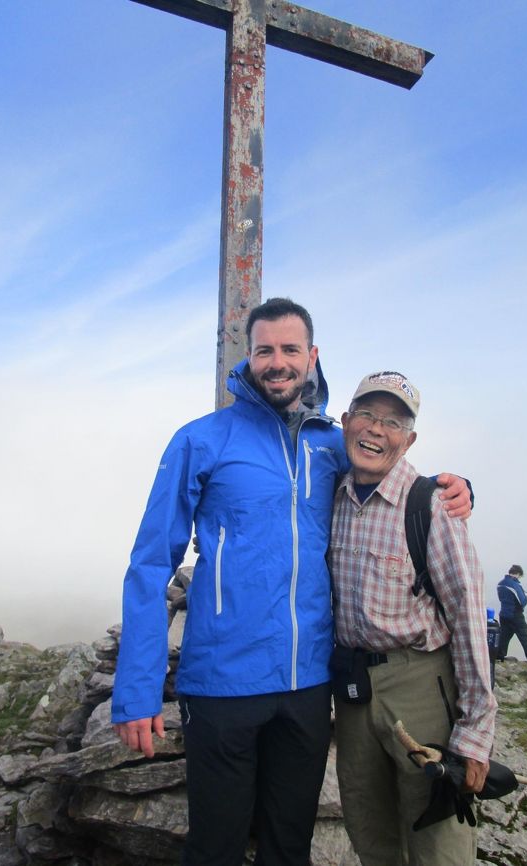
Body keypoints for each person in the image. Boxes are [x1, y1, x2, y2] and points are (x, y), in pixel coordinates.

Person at [111, 298, 472, 866]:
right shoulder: (201, 441)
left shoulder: (331, 443)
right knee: (216, 848)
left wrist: (457, 486)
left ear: (312, 356)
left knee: (289, 847)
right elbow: (152, 564)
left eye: (289, 349)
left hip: (307, 688)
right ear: (248, 357)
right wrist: (136, 689)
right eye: (264, 350)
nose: (277, 362)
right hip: (222, 684)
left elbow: (391, 476)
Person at [330, 370, 497, 866]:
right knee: (370, 834)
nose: (376, 430)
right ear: (345, 422)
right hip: (355, 692)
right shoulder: (333, 497)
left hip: (421, 686)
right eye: (366, 414)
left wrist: (475, 733)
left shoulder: (432, 505)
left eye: (393, 421)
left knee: (438, 842)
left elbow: (469, 618)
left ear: (410, 439)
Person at [496, 565, 527, 664]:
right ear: (517, 574)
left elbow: (502, 598)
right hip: (515, 615)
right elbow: (523, 602)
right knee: (524, 638)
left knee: (504, 636)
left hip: (503, 614)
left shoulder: (500, 584)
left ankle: (499, 656)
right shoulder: (514, 584)